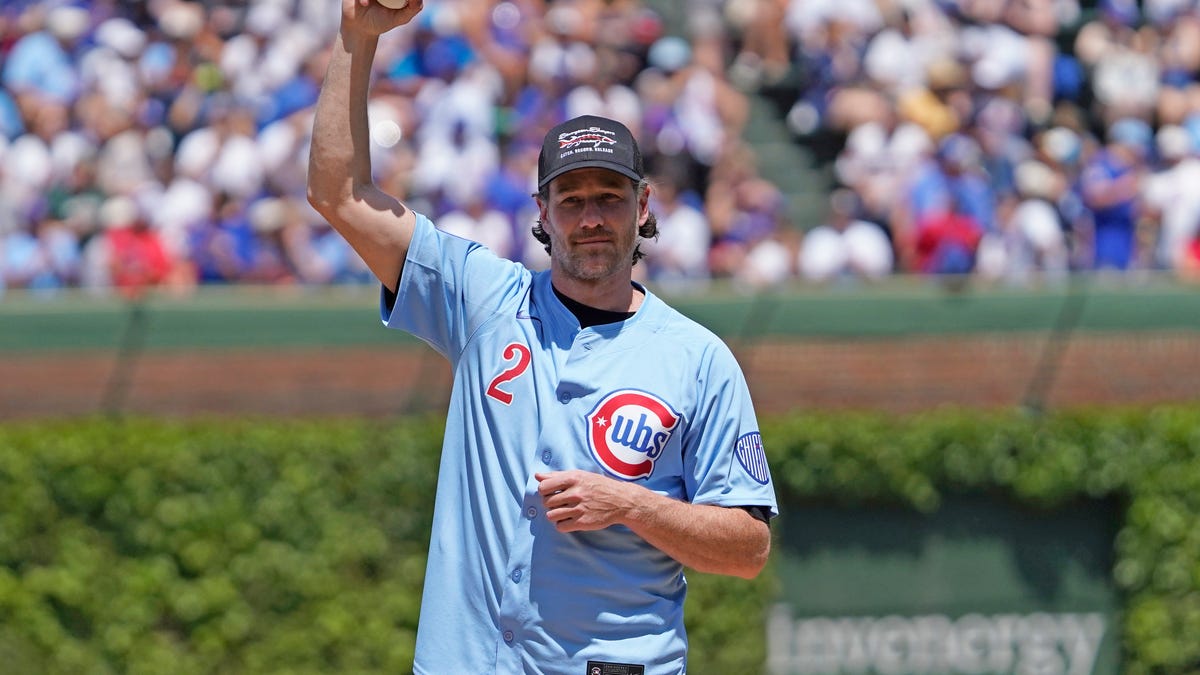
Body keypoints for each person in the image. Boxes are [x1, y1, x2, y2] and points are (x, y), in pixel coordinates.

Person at [305, 2, 778, 674]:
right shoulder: (482, 297)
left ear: (643, 207)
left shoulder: (697, 358)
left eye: (609, 197)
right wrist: (356, 35)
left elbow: (747, 547)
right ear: (542, 214)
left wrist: (633, 504)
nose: (591, 217)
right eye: (572, 199)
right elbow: (338, 192)